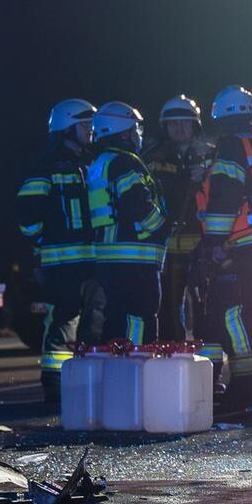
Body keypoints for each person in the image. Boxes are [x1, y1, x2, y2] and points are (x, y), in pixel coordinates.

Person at [198, 85, 252, 410]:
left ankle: (246, 384)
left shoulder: (232, 145)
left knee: (235, 313)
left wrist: (214, 242)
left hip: (241, 242)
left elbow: (224, 195)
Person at [14, 98, 96, 404]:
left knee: (91, 322)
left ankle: (81, 382)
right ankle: (54, 383)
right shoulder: (46, 166)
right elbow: (26, 210)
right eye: (85, 125)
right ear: (67, 128)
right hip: (61, 261)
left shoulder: (90, 163)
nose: (91, 131)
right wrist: (40, 243)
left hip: (90, 258)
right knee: (63, 321)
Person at [86, 101, 168, 344]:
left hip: (109, 260)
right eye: (135, 129)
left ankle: (118, 372)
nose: (138, 134)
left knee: (115, 319)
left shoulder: (100, 162)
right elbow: (139, 206)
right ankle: (137, 366)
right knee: (140, 318)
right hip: (136, 260)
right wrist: (162, 227)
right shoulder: (126, 162)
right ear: (123, 132)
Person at [143, 95, 216, 347]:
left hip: (204, 243)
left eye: (185, 122)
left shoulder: (212, 155)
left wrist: (206, 174)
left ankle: (210, 370)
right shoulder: (154, 157)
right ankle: (172, 361)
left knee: (206, 304)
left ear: (195, 124)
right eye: (173, 123)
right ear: (164, 126)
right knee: (169, 306)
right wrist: (188, 179)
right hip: (170, 245)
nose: (179, 128)